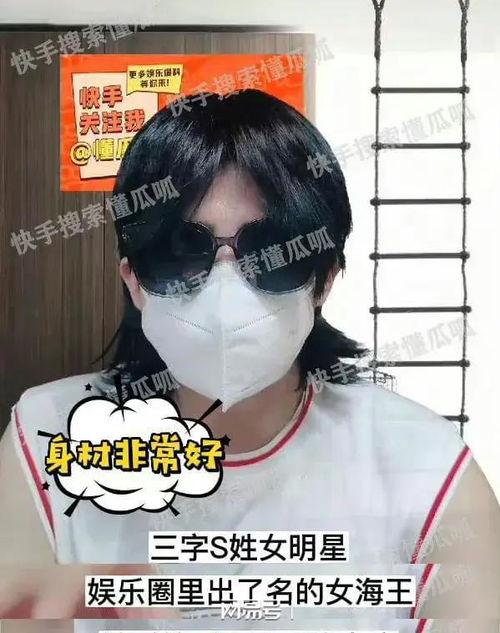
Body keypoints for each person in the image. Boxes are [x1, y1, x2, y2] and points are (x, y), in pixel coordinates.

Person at [0, 90, 498, 633]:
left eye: (270, 252)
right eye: (182, 251)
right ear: (135, 280)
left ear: (324, 280)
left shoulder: (421, 462)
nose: (226, 289)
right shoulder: (47, 440)